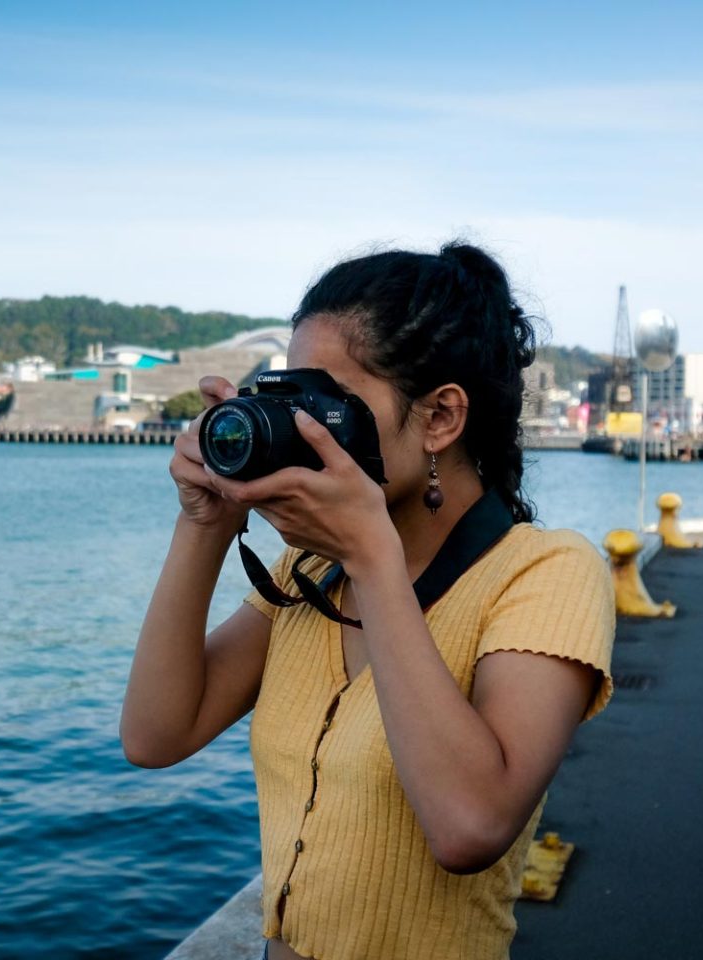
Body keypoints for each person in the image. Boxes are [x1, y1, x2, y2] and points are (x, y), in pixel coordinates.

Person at [121, 244, 616, 960]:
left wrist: (371, 555)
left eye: (326, 406)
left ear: (442, 416)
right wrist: (205, 522)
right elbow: (155, 736)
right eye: (288, 401)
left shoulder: (546, 572)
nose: (301, 429)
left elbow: (468, 827)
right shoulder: (311, 574)